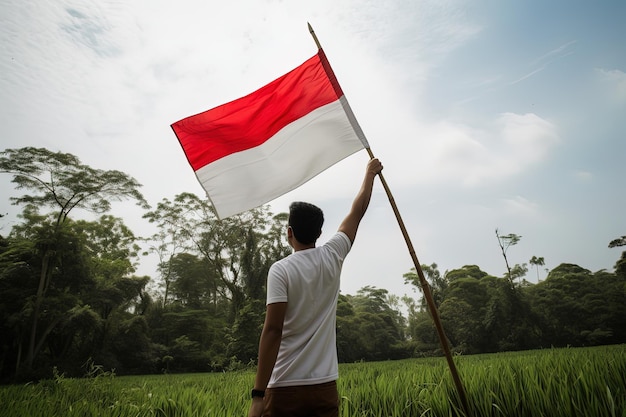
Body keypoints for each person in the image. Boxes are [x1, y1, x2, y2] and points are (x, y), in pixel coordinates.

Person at [248, 158, 383, 417]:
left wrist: (258, 395)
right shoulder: (332, 255)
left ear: (289, 232)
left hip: (284, 387)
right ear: (319, 233)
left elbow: (273, 330)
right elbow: (357, 213)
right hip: (324, 388)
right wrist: (369, 175)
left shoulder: (281, 269)